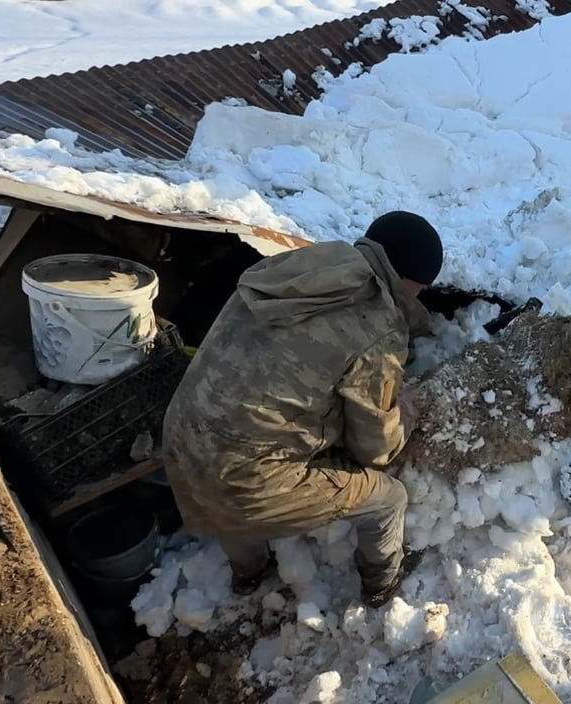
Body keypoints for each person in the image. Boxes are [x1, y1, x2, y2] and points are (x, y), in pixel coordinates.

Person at [161, 210, 443, 607]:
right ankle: (381, 585)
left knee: (230, 467)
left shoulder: (291, 268)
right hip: (241, 483)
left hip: (180, 439)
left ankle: (248, 573)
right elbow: (374, 450)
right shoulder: (377, 328)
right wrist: (404, 414)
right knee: (387, 498)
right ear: (413, 282)